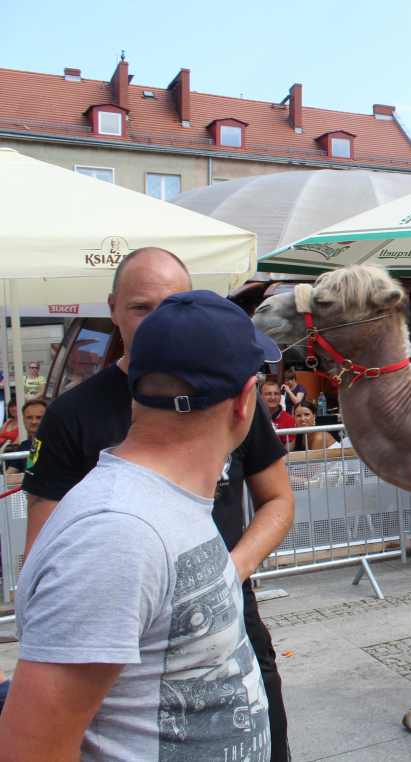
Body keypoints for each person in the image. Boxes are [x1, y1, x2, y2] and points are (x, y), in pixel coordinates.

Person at [20, 247, 294, 761]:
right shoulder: (115, 531)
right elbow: (33, 742)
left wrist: (225, 575)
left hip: (231, 626)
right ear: (245, 400)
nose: (161, 323)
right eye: (143, 307)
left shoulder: (162, 498)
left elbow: (277, 499)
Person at [4, 398, 46, 477]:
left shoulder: (56, 444)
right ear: (23, 420)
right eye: (29, 417)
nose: (34, 422)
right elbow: (9, 474)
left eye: (39, 417)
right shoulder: (24, 445)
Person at [261, 379, 297, 448]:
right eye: (268, 394)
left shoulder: (289, 419)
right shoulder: (252, 417)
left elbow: (288, 451)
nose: (273, 397)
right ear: (261, 396)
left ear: (280, 396)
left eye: (276, 394)